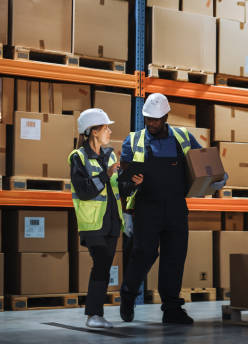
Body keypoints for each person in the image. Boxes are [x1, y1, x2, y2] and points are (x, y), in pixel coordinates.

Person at [119, 93, 227, 324]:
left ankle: (171, 308)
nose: (152, 124)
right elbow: (123, 180)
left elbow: (203, 161)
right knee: (143, 254)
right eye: (148, 119)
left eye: (156, 119)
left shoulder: (183, 137)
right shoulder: (133, 140)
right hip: (146, 208)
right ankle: (128, 296)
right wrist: (126, 212)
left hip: (176, 207)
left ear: (166, 116)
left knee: (174, 257)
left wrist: (218, 176)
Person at [68, 109, 142, 328]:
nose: (110, 131)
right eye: (105, 127)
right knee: (101, 263)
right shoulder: (78, 157)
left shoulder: (110, 155)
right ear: (93, 131)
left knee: (104, 266)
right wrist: (106, 174)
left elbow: (117, 187)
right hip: (92, 223)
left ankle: (95, 314)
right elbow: (84, 191)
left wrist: (132, 184)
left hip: (111, 222)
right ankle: (93, 315)